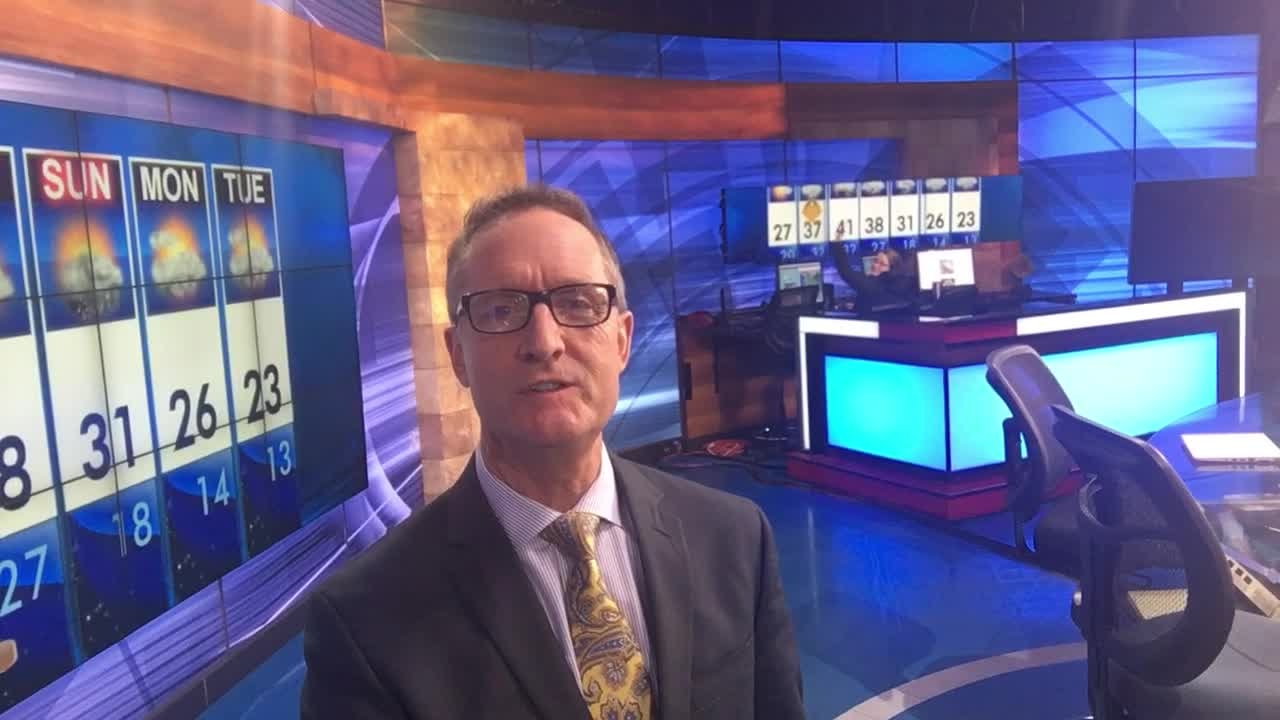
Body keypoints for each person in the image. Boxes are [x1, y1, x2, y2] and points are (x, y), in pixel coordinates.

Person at [300, 185, 805, 719]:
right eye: (500, 310)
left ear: (622, 340)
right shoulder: (363, 621)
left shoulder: (735, 538)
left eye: (578, 303)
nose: (545, 342)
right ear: (458, 355)